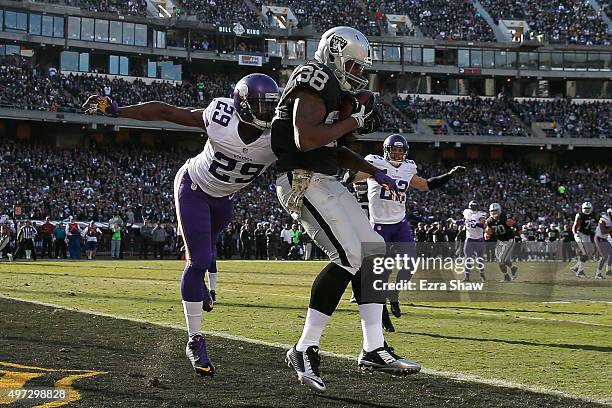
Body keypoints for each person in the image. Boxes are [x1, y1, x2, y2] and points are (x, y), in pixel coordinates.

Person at [84, 72, 280, 377]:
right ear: (242, 104)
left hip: (225, 198)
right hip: (194, 188)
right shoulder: (220, 115)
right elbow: (167, 112)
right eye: (261, 106)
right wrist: (118, 111)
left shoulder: (278, 135)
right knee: (199, 259)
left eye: (272, 106)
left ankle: (198, 277)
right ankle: (194, 340)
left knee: (207, 254)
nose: (268, 113)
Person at [272, 26, 419, 392]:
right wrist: (354, 120)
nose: (357, 74)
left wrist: (378, 173)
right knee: (350, 254)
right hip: (302, 178)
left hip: (326, 178)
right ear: (335, 55)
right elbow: (305, 139)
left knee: (373, 251)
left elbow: (336, 148)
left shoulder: (337, 93)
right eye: (353, 66)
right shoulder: (314, 78)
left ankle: (373, 347)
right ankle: (304, 347)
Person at [351, 134, 464, 331]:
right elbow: (352, 177)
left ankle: (394, 293)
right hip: (379, 226)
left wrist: (449, 175)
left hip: (400, 223)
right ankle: (383, 316)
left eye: (401, 150)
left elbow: (426, 185)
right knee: (381, 274)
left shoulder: (408, 167)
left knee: (410, 262)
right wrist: (360, 173)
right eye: (394, 149)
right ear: (386, 150)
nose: (397, 153)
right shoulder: (374, 162)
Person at [485, 203, 519, 282]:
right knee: (501, 260)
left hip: (509, 240)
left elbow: (515, 225)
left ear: (499, 210)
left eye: (496, 210)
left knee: (501, 260)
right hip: (500, 241)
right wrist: (486, 234)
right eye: (492, 211)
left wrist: (522, 236)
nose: (494, 213)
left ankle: (507, 277)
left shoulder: (504, 217)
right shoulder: (489, 221)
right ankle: (512, 269)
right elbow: (488, 230)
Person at [462, 201, 488, 282]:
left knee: (480, 259)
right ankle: (467, 276)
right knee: (468, 258)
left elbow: (483, 224)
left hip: (479, 239)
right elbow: (464, 221)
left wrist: (476, 224)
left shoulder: (481, 214)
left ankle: (482, 275)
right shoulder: (466, 212)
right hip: (469, 239)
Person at [571, 201, 597, 277]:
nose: (587, 210)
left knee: (590, 252)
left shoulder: (594, 215)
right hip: (580, 234)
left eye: (588, 208)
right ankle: (580, 271)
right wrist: (576, 234)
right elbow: (575, 227)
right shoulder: (580, 215)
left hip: (587, 234)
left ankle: (576, 267)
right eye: (585, 208)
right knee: (585, 253)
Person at [594, 208, 612, 279]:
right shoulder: (604, 219)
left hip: (604, 239)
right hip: (599, 238)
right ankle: (598, 274)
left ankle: (609, 270)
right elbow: (603, 231)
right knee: (604, 257)